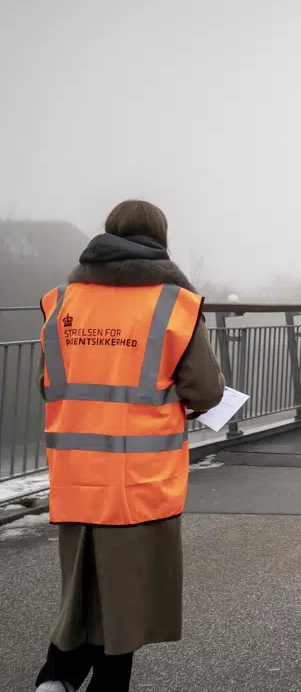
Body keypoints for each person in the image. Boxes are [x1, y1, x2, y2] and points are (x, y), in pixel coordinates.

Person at [34, 200, 226, 692]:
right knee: (127, 595)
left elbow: (49, 384)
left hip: (77, 474)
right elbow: (204, 391)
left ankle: (56, 677)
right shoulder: (172, 305)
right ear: (160, 238)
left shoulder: (61, 302)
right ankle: (79, 678)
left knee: (84, 589)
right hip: (140, 479)